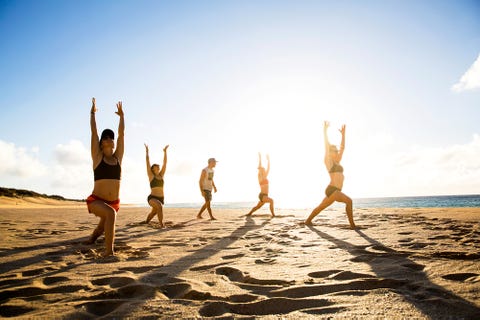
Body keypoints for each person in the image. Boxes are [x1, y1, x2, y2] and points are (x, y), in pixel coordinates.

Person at [85, 97, 125, 256]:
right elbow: (94, 132)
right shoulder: (97, 156)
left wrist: (122, 117)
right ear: (101, 143)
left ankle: (92, 239)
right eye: (106, 137)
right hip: (97, 200)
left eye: (111, 137)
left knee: (103, 226)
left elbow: (122, 135)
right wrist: (92, 114)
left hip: (113, 202)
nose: (109, 139)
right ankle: (109, 252)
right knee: (110, 215)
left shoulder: (118, 158)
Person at [305, 121, 356, 229]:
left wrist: (343, 135)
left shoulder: (337, 161)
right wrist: (325, 131)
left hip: (334, 190)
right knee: (349, 201)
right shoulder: (328, 161)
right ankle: (352, 225)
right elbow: (326, 147)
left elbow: (343, 148)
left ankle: (308, 221)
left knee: (320, 207)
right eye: (334, 151)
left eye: (336, 151)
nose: (337, 152)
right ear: (330, 153)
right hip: (333, 190)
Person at [144, 144, 169, 227]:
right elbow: (147, 163)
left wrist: (165, 152)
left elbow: (165, 163)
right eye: (155, 166)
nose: (158, 167)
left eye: (158, 166)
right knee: (159, 206)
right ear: (153, 169)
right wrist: (147, 152)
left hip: (161, 198)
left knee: (154, 212)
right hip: (152, 198)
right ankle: (161, 224)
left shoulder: (161, 175)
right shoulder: (151, 176)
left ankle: (146, 221)